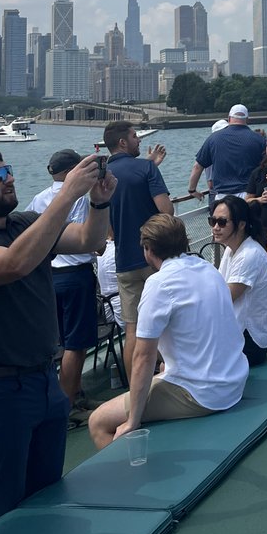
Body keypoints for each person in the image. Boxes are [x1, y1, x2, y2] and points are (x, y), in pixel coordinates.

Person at [0, 147, 113, 533]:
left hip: (45, 381)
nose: (9, 178)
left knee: (46, 493)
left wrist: (98, 200)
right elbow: (12, 264)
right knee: (1, 504)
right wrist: (66, 194)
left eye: (7, 170)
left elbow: (88, 240)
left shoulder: (23, 223)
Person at [89, 214, 248, 448]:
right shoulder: (207, 268)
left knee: (98, 421)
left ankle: (132, 480)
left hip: (204, 394)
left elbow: (143, 356)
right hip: (234, 380)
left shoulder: (159, 283)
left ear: (148, 249)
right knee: (163, 369)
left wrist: (133, 419)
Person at [26, 149, 98, 426]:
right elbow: (87, 232)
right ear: (71, 171)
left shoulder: (39, 198)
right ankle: (66, 408)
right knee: (76, 344)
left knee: (56, 343)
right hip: (76, 275)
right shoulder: (78, 196)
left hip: (47, 276)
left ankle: (73, 394)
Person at [105, 120, 174, 382]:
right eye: (135, 136)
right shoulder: (145, 168)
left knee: (133, 330)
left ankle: (133, 389)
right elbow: (166, 211)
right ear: (123, 141)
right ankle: (168, 379)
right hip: (156, 259)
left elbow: (107, 230)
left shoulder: (102, 177)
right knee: (166, 324)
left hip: (124, 263)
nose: (139, 140)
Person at [210, 196, 267, 365]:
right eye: (213, 221)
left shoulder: (249, 255)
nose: (216, 227)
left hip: (250, 342)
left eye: (222, 222)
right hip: (237, 333)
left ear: (241, 224)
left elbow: (224, 297)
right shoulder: (231, 250)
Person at [188, 104, 266, 205]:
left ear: (229, 118)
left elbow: (197, 167)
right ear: (247, 119)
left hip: (222, 197)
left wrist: (192, 190)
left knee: (223, 221)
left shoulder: (213, 139)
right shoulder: (259, 140)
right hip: (249, 196)